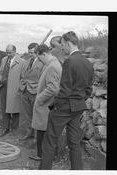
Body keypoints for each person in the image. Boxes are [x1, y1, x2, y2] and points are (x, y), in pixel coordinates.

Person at [39, 31, 94, 170]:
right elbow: (89, 88)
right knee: (74, 143)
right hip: (78, 107)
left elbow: (65, 89)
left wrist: (55, 105)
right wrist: (80, 100)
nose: (62, 48)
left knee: (50, 141)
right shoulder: (87, 62)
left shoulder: (69, 61)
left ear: (69, 43)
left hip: (64, 108)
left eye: (63, 44)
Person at [28, 44, 62, 161]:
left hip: (45, 105)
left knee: (43, 130)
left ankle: (42, 155)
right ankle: (45, 154)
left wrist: (39, 98)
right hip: (47, 105)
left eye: (40, 58)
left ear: (44, 54)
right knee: (44, 130)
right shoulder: (53, 63)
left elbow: (53, 88)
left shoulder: (52, 66)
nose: (40, 61)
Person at [19, 43, 46, 141]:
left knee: (36, 115)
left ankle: (36, 137)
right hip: (25, 90)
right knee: (27, 114)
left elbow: (43, 78)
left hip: (35, 91)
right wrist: (22, 84)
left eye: (33, 52)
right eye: (29, 52)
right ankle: (28, 133)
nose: (31, 54)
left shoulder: (43, 63)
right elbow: (23, 75)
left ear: (38, 52)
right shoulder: (26, 62)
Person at [0, 44, 24, 137]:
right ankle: (5, 127)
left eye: (10, 52)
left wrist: (20, 88)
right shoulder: (4, 60)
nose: (8, 54)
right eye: (7, 52)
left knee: (15, 108)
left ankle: (14, 128)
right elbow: (1, 72)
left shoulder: (21, 62)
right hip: (4, 88)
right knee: (4, 108)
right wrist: (0, 80)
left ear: (14, 51)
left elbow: (23, 77)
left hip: (15, 89)